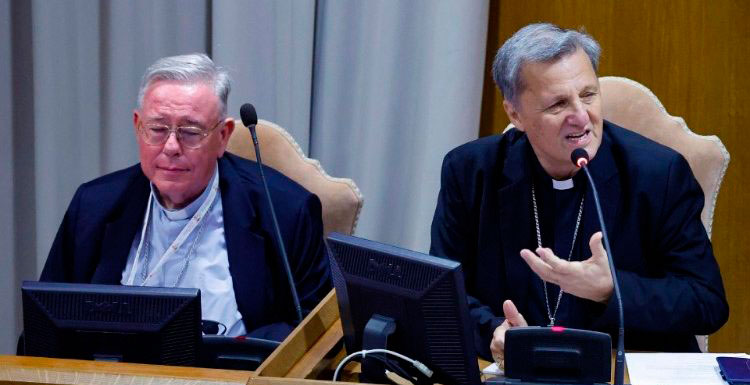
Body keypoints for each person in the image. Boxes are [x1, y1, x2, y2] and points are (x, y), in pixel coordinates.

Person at [430, 23, 728, 362]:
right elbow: (443, 292)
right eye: (558, 104)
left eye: (588, 95)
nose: (582, 117)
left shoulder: (659, 175)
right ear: (515, 113)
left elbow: (707, 302)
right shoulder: (471, 172)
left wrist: (611, 289)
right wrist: (493, 331)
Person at [41, 53, 331, 341]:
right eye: (157, 129)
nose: (171, 146)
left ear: (223, 136)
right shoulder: (94, 205)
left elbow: (312, 333)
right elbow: (44, 321)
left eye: (190, 132)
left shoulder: (285, 212)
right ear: (137, 126)